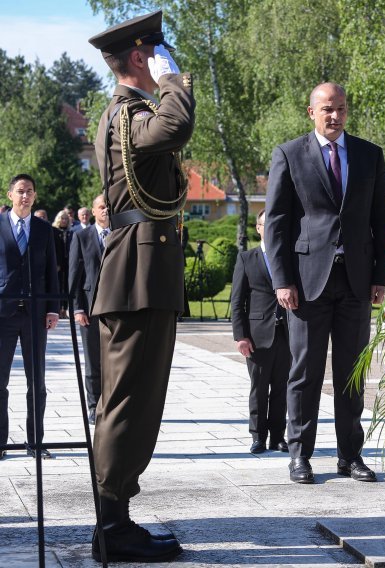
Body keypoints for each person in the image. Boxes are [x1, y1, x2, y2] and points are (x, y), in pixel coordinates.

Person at [87, 9, 194, 562]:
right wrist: (174, 79)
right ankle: (112, 527)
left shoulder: (126, 114)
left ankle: (117, 518)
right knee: (128, 403)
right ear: (139, 56)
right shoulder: (130, 113)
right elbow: (175, 127)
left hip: (138, 272)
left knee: (131, 401)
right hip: (137, 275)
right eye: (157, 52)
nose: (164, 60)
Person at [265, 82, 385, 484]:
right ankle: (299, 455)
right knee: (304, 372)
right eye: (326, 109)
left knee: (351, 374)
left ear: (347, 111)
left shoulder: (370, 155)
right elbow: (277, 224)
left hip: (355, 282)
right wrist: (282, 280)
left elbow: (381, 220)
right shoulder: (289, 154)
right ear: (311, 112)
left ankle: (350, 456)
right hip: (306, 283)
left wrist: (380, 275)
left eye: (340, 108)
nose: (333, 116)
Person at [0, 174, 59, 460]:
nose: (26, 196)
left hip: (35, 315)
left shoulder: (44, 230)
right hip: (4, 314)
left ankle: (35, 443)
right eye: (21, 191)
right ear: (10, 194)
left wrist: (52, 308)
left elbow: (51, 271)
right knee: (0, 382)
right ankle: (1, 442)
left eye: (30, 192)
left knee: (37, 383)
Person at [231, 209, 290, 454]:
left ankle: (278, 437)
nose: (270, 228)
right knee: (259, 388)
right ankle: (257, 437)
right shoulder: (247, 258)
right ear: (258, 228)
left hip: (287, 334)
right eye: (266, 224)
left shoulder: (288, 257)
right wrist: (240, 336)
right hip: (257, 335)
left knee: (281, 388)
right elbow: (236, 301)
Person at [68, 195, 109, 425]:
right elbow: (74, 276)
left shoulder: (120, 236)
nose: (106, 211)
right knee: (94, 361)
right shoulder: (81, 237)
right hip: (90, 310)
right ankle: (93, 406)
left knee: (115, 361)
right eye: (101, 207)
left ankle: (111, 403)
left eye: (108, 207)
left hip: (116, 311)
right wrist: (77, 308)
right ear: (93, 211)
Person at [51, 210, 73, 318]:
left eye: (66, 218)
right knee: (58, 285)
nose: (64, 220)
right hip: (58, 263)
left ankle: (65, 308)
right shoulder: (53, 231)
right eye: (62, 218)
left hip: (68, 263)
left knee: (67, 286)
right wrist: (56, 263)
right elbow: (53, 249)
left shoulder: (70, 232)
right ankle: (58, 309)